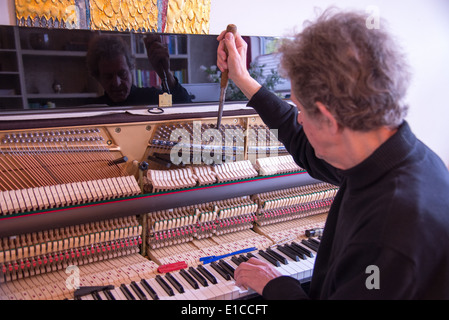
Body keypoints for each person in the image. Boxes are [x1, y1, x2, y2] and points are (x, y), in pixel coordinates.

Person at [217, 8, 449, 299]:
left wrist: (277, 285)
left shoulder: (389, 233)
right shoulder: (387, 154)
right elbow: (304, 144)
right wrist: (243, 80)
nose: (298, 118)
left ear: (328, 119)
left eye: (300, 109)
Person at [86, 34, 191, 106]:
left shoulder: (153, 97)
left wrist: (165, 73)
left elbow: (187, 110)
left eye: (122, 74)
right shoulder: (92, 109)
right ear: (98, 77)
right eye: (108, 77)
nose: (117, 83)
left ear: (131, 68)